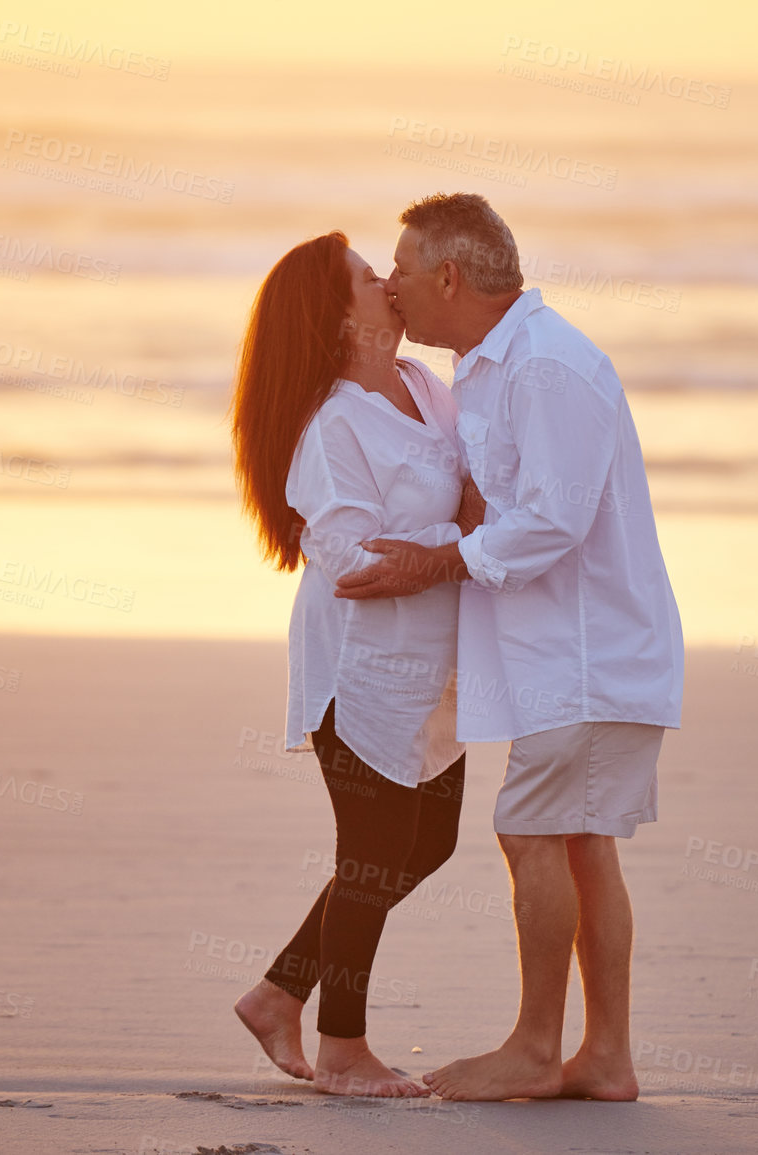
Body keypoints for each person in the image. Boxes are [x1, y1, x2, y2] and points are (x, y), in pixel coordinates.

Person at [335, 193, 685, 1102]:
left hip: (588, 651)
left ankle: (536, 1047)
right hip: (573, 654)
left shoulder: (544, 367)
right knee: (578, 842)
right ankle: (603, 1057)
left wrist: (432, 563)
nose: (391, 286)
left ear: (448, 275)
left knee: (531, 831)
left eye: (402, 270)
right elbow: (504, 499)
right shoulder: (493, 368)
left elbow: (553, 522)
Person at [227, 229, 484, 1098]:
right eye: (370, 278)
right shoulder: (335, 425)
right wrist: (472, 545)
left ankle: (276, 993)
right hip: (361, 668)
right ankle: (342, 1047)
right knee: (373, 850)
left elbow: (473, 486)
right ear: (339, 319)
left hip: (434, 661)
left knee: (430, 841)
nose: (390, 282)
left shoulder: (425, 387)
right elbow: (346, 556)